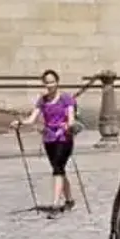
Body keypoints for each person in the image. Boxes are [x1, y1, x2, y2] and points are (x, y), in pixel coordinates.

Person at [12, 69, 78, 215]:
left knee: (57, 169)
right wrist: (20, 122)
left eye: (52, 82)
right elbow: (32, 119)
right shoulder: (42, 100)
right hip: (49, 138)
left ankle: (55, 205)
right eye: (47, 83)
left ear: (57, 82)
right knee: (59, 169)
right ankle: (69, 200)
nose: (50, 85)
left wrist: (68, 125)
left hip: (64, 138)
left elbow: (71, 118)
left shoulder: (66, 98)